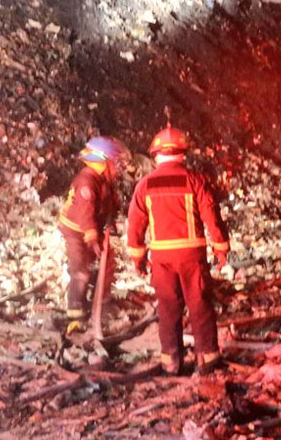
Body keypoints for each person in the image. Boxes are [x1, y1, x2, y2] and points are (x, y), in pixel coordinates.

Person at [126, 126, 231, 375]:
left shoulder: (144, 185)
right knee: (199, 304)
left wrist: (137, 257)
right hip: (192, 257)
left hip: (161, 257)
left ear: (156, 155)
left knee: (168, 308)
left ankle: (171, 362)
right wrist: (220, 249)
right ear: (183, 154)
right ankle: (207, 358)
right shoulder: (195, 180)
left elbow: (135, 224)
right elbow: (212, 217)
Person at [58, 136, 130, 324]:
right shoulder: (87, 182)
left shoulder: (103, 180)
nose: (119, 167)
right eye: (116, 162)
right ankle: (75, 311)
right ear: (104, 162)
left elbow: (109, 203)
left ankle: (103, 301)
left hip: (92, 228)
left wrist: (110, 224)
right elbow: (85, 212)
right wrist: (92, 238)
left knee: (108, 261)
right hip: (75, 230)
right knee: (81, 268)